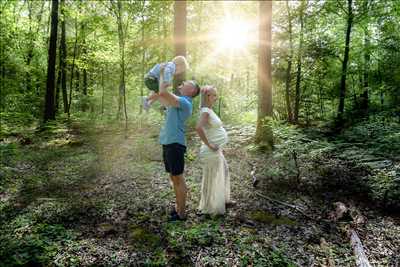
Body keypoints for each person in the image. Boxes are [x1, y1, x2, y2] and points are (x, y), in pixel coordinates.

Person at [157, 70, 200, 221]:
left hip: (176, 143)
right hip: (167, 142)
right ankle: (178, 207)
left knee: (178, 178)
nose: (183, 82)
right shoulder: (177, 101)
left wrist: (163, 73)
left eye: (187, 83)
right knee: (173, 178)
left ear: (192, 90)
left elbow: (163, 91)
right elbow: (161, 95)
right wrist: (160, 77)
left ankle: (182, 213)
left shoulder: (185, 102)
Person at [195, 86, 232, 216]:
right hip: (210, 151)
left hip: (217, 150)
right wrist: (210, 144)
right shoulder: (205, 110)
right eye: (214, 95)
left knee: (224, 171)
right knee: (212, 177)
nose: (216, 98)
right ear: (207, 96)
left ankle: (223, 200)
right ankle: (210, 206)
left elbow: (211, 129)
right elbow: (198, 128)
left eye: (216, 95)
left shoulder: (209, 110)